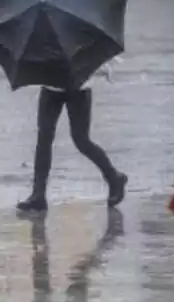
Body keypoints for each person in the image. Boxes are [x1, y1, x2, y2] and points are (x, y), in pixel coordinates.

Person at [17, 60, 128, 213]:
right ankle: (38, 195)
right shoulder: (45, 36)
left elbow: (95, 54)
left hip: (79, 87)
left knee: (81, 140)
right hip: (51, 85)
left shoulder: (82, 36)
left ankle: (114, 178)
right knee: (44, 137)